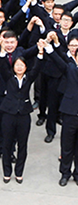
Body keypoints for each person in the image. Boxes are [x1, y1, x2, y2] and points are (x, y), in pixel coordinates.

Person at [0, 39, 43, 183]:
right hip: (8, 114)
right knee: (7, 144)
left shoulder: (28, 78)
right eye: (16, 65)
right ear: (13, 67)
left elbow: (37, 68)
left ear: (25, 67)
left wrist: (40, 52)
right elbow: (2, 65)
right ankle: (7, 172)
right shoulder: (8, 77)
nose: (19, 67)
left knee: (22, 145)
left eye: (21, 65)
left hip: (23, 114)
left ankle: (19, 172)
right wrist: (2, 50)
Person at [44, 33, 78, 186]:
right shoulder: (70, 68)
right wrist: (48, 47)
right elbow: (58, 60)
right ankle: (65, 173)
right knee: (67, 145)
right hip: (70, 112)